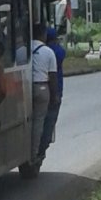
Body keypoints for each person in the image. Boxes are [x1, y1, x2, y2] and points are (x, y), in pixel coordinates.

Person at [31, 23, 58, 162]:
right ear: (43, 35)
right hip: (42, 88)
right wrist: (55, 96)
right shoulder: (48, 52)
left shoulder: (23, 49)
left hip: (26, 89)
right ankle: (35, 153)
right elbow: (52, 77)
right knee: (38, 122)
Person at [39, 27, 66, 158]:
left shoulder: (39, 52)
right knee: (49, 122)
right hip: (54, 91)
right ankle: (41, 149)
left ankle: (39, 149)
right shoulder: (55, 51)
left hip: (39, 89)